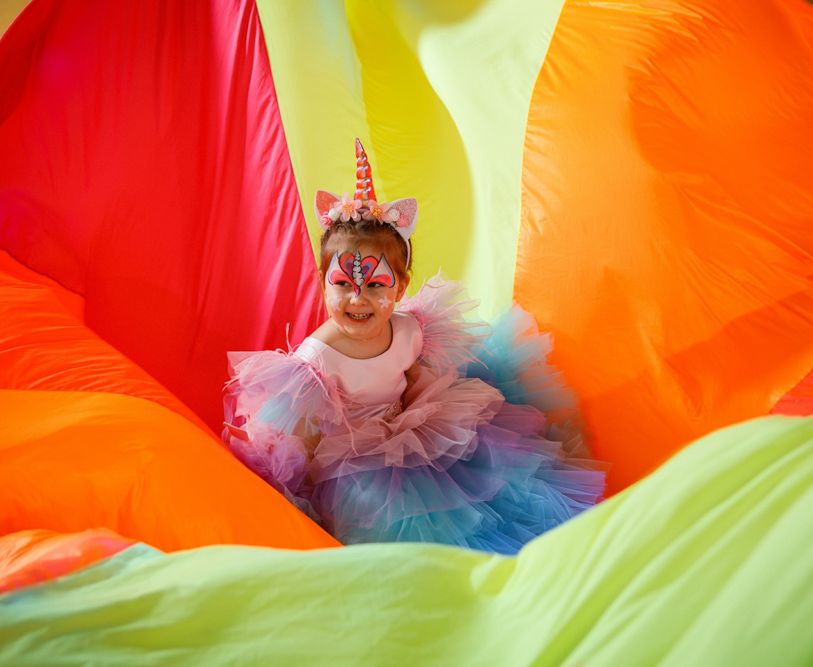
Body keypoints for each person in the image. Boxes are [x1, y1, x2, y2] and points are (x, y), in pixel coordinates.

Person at [223, 139, 607, 554]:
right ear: (322, 283)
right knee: (392, 517)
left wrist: (434, 423)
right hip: (356, 464)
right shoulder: (315, 360)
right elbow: (304, 441)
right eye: (342, 284)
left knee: (483, 475)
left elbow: (416, 377)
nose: (358, 299)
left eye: (376, 285)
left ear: (401, 287)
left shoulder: (409, 329)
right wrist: (316, 495)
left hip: (413, 430)